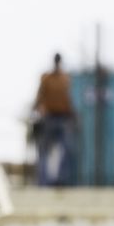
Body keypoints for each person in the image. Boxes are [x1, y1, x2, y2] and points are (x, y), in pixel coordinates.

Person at [32, 53, 76, 186]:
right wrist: (38, 111)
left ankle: (60, 180)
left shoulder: (65, 79)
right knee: (43, 151)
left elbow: (68, 99)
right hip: (49, 118)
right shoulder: (46, 78)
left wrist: (72, 115)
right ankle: (43, 182)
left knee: (67, 149)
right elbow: (39, 97)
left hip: (63, 118)